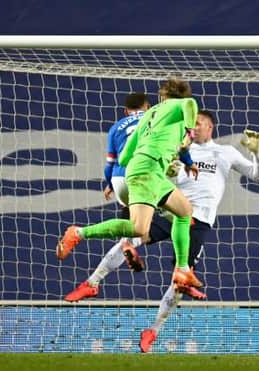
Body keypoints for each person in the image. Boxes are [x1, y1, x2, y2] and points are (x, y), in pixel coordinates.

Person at [57, 78, 203, 295]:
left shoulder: (148, 117)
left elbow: (124, 157)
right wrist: (189, 134)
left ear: (161, 96)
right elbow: (190, 105)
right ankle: (79, 232)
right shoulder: (176, 106)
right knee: (139, 229)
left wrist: (161, 155)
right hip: (148, 171)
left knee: (184, 212)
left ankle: (182, 269)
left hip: (146, 170)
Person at [136, 110, 259, 352]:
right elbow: (161, 173)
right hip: (175, 211)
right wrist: (168, 171)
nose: (193, 128)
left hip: (200, 220)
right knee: (136, 232)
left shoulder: (225, 152)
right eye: (191, 125)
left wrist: (257, 152)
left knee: (179, 282)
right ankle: (95, 273)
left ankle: (152, 330)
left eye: (198, 124)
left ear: (210, 127)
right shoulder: (182, 150)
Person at [64, 92, 150, 302]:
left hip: (121, 181)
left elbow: (109, 165)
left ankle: (92, 282)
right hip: (145, 178)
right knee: (180, 215)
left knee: (129, 236)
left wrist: (110, 184)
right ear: (148, 108)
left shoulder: (116, 127)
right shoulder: (154, 119)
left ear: (125, 111)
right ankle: (81, 233)